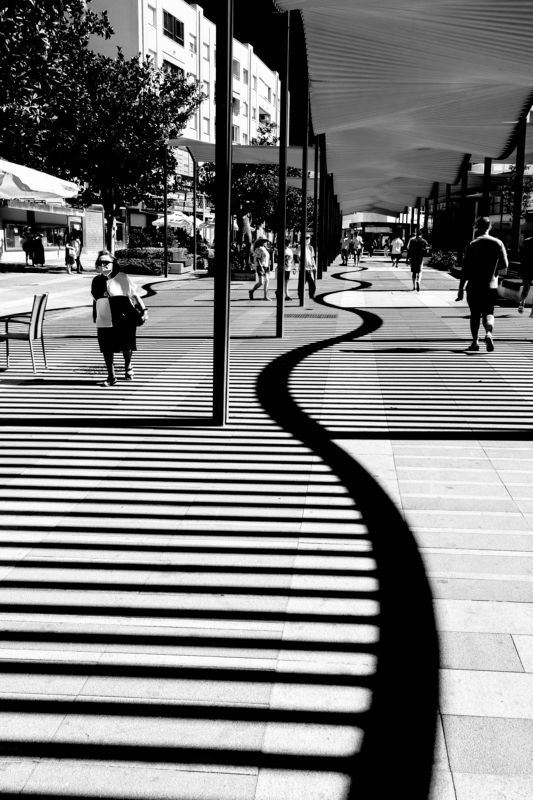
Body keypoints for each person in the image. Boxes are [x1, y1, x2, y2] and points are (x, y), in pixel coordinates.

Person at [91, 250, 148, 386]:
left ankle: (128, 365)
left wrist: (144, 310)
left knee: (126, 346)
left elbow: (134, 295)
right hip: (104, 317)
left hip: (124, 317)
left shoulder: (122, 277)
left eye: (106, 262)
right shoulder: (96, 281)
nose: (103, 265)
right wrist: (95, 315)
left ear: (114, 263)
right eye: (100, 262)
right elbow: (95, 299)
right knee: (106, 348)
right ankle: (111, 376)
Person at [455, 216, 508, 352]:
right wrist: (494, 271)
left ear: (477, 227)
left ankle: (475, 342)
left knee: (475, 314)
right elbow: (505, 266)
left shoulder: (472, 244)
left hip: (474, 286)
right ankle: (488, 333)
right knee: (489, 312)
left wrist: (460, 288)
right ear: (490, 227)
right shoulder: (498, 243)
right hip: (491, 286)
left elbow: (465, 269)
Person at [517, 235, 533, 313]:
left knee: (526, 287)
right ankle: (532, 312)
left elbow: (521, 255)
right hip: (528, 267)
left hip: (527, 268)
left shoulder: (526, 241)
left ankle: (521, 303)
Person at [301, 233, 317, 300]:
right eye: (306, 238)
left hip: (310, 268)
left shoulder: (311, 248)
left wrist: (314, 265)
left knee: (311, 282)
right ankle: (301, 294)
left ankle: (311, 294)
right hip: (303, 268)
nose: (308, 239)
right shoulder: (301, 247)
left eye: (308, 238)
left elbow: (312, 258)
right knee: (303, 282)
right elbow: (297, 257)